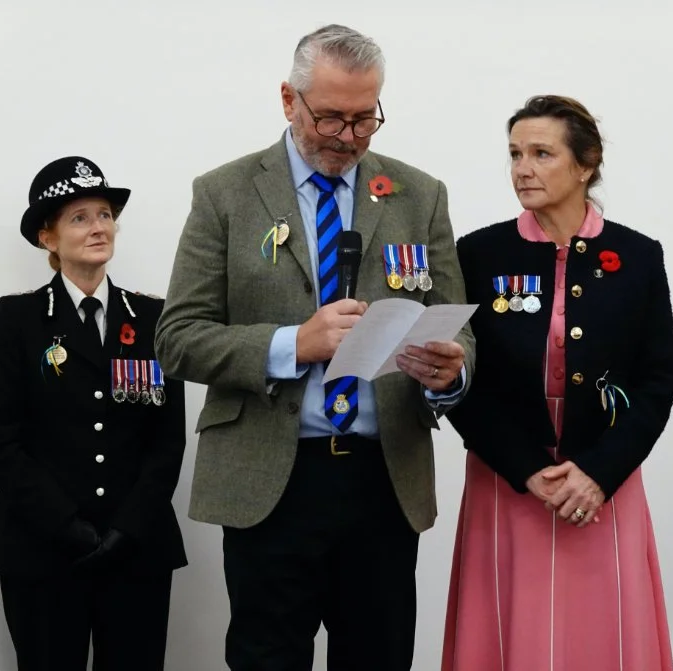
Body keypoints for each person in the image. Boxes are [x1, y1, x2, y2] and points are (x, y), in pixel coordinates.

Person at [155, 24, 475, 671]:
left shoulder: (420, 194)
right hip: (271, 481)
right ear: (288, 99)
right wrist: (291, 343)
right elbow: (178, 337)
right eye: (331, 117)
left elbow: (459, 327)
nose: (349, 137)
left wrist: (450, 371)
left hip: (382, 479)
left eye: (365, 118)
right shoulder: (224, 194)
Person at [442, 95, 673, 670]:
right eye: (516, 154)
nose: (522, 169)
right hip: (508, 475)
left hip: (604, 478)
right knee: (506, 632)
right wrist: (525, 468)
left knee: (604, 636)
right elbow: (460, 378)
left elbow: (657, 379)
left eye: (541, 153)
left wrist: (599, 473)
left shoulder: (638, 256)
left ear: (586, 163)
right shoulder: (478, 253)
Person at [0, 156, 187, 671]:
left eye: (105, 214)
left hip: (136, 548)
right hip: (41, 550)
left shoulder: (154, 317)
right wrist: (67, 526)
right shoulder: (17, 319)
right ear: (48, 238)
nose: (99, 227)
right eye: (80, 218)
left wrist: (127, 528)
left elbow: (168, 440)